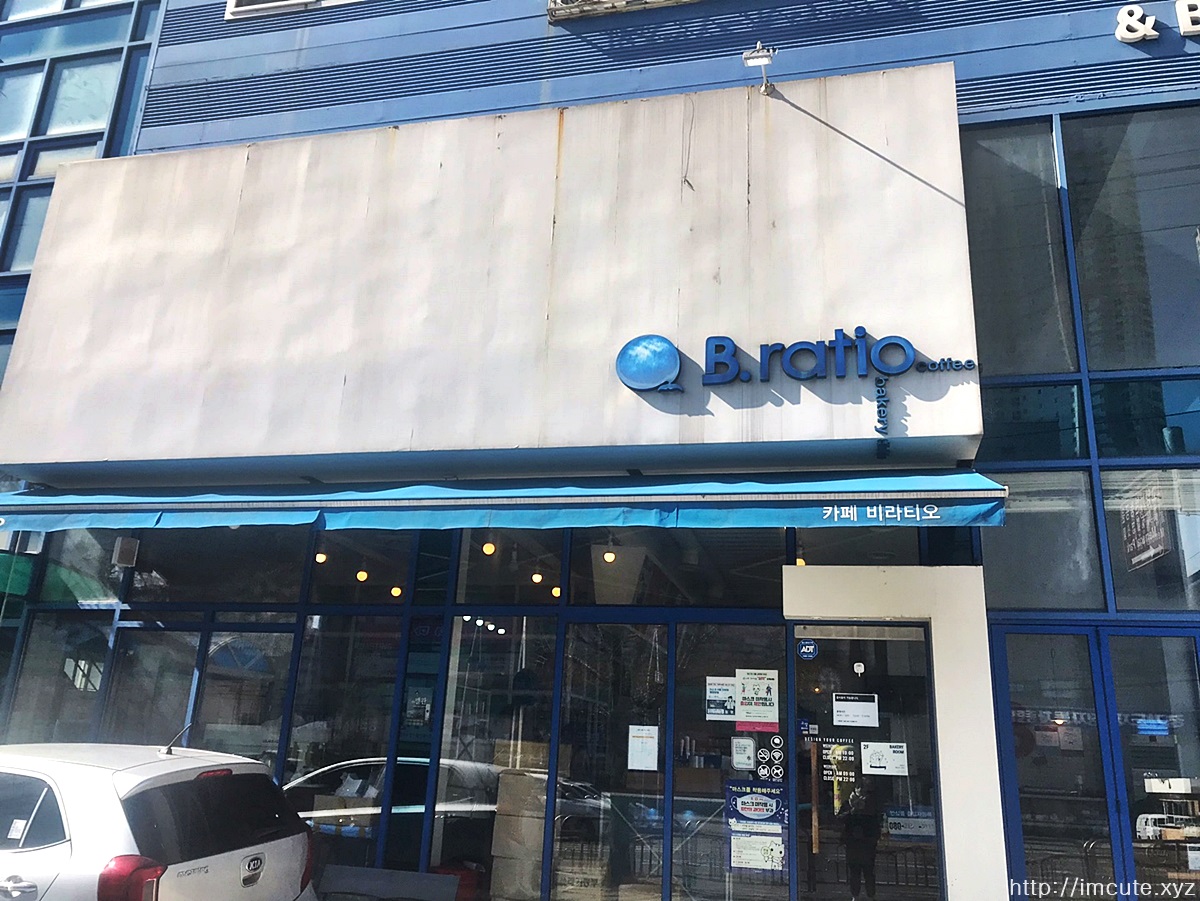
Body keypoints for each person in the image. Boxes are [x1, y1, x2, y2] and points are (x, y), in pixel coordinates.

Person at [839, 777, 881, 900]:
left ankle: (871, 895)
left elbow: (875, 822)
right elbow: (840, 819)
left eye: (863, 788)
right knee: (854, 872)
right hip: (853, 844)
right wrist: (852, 811)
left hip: (867, 843)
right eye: (859, 788)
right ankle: (855, 895)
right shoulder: (848, 803)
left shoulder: (871, 803)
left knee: (869, 872)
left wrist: (874, 839)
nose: (861, 791)